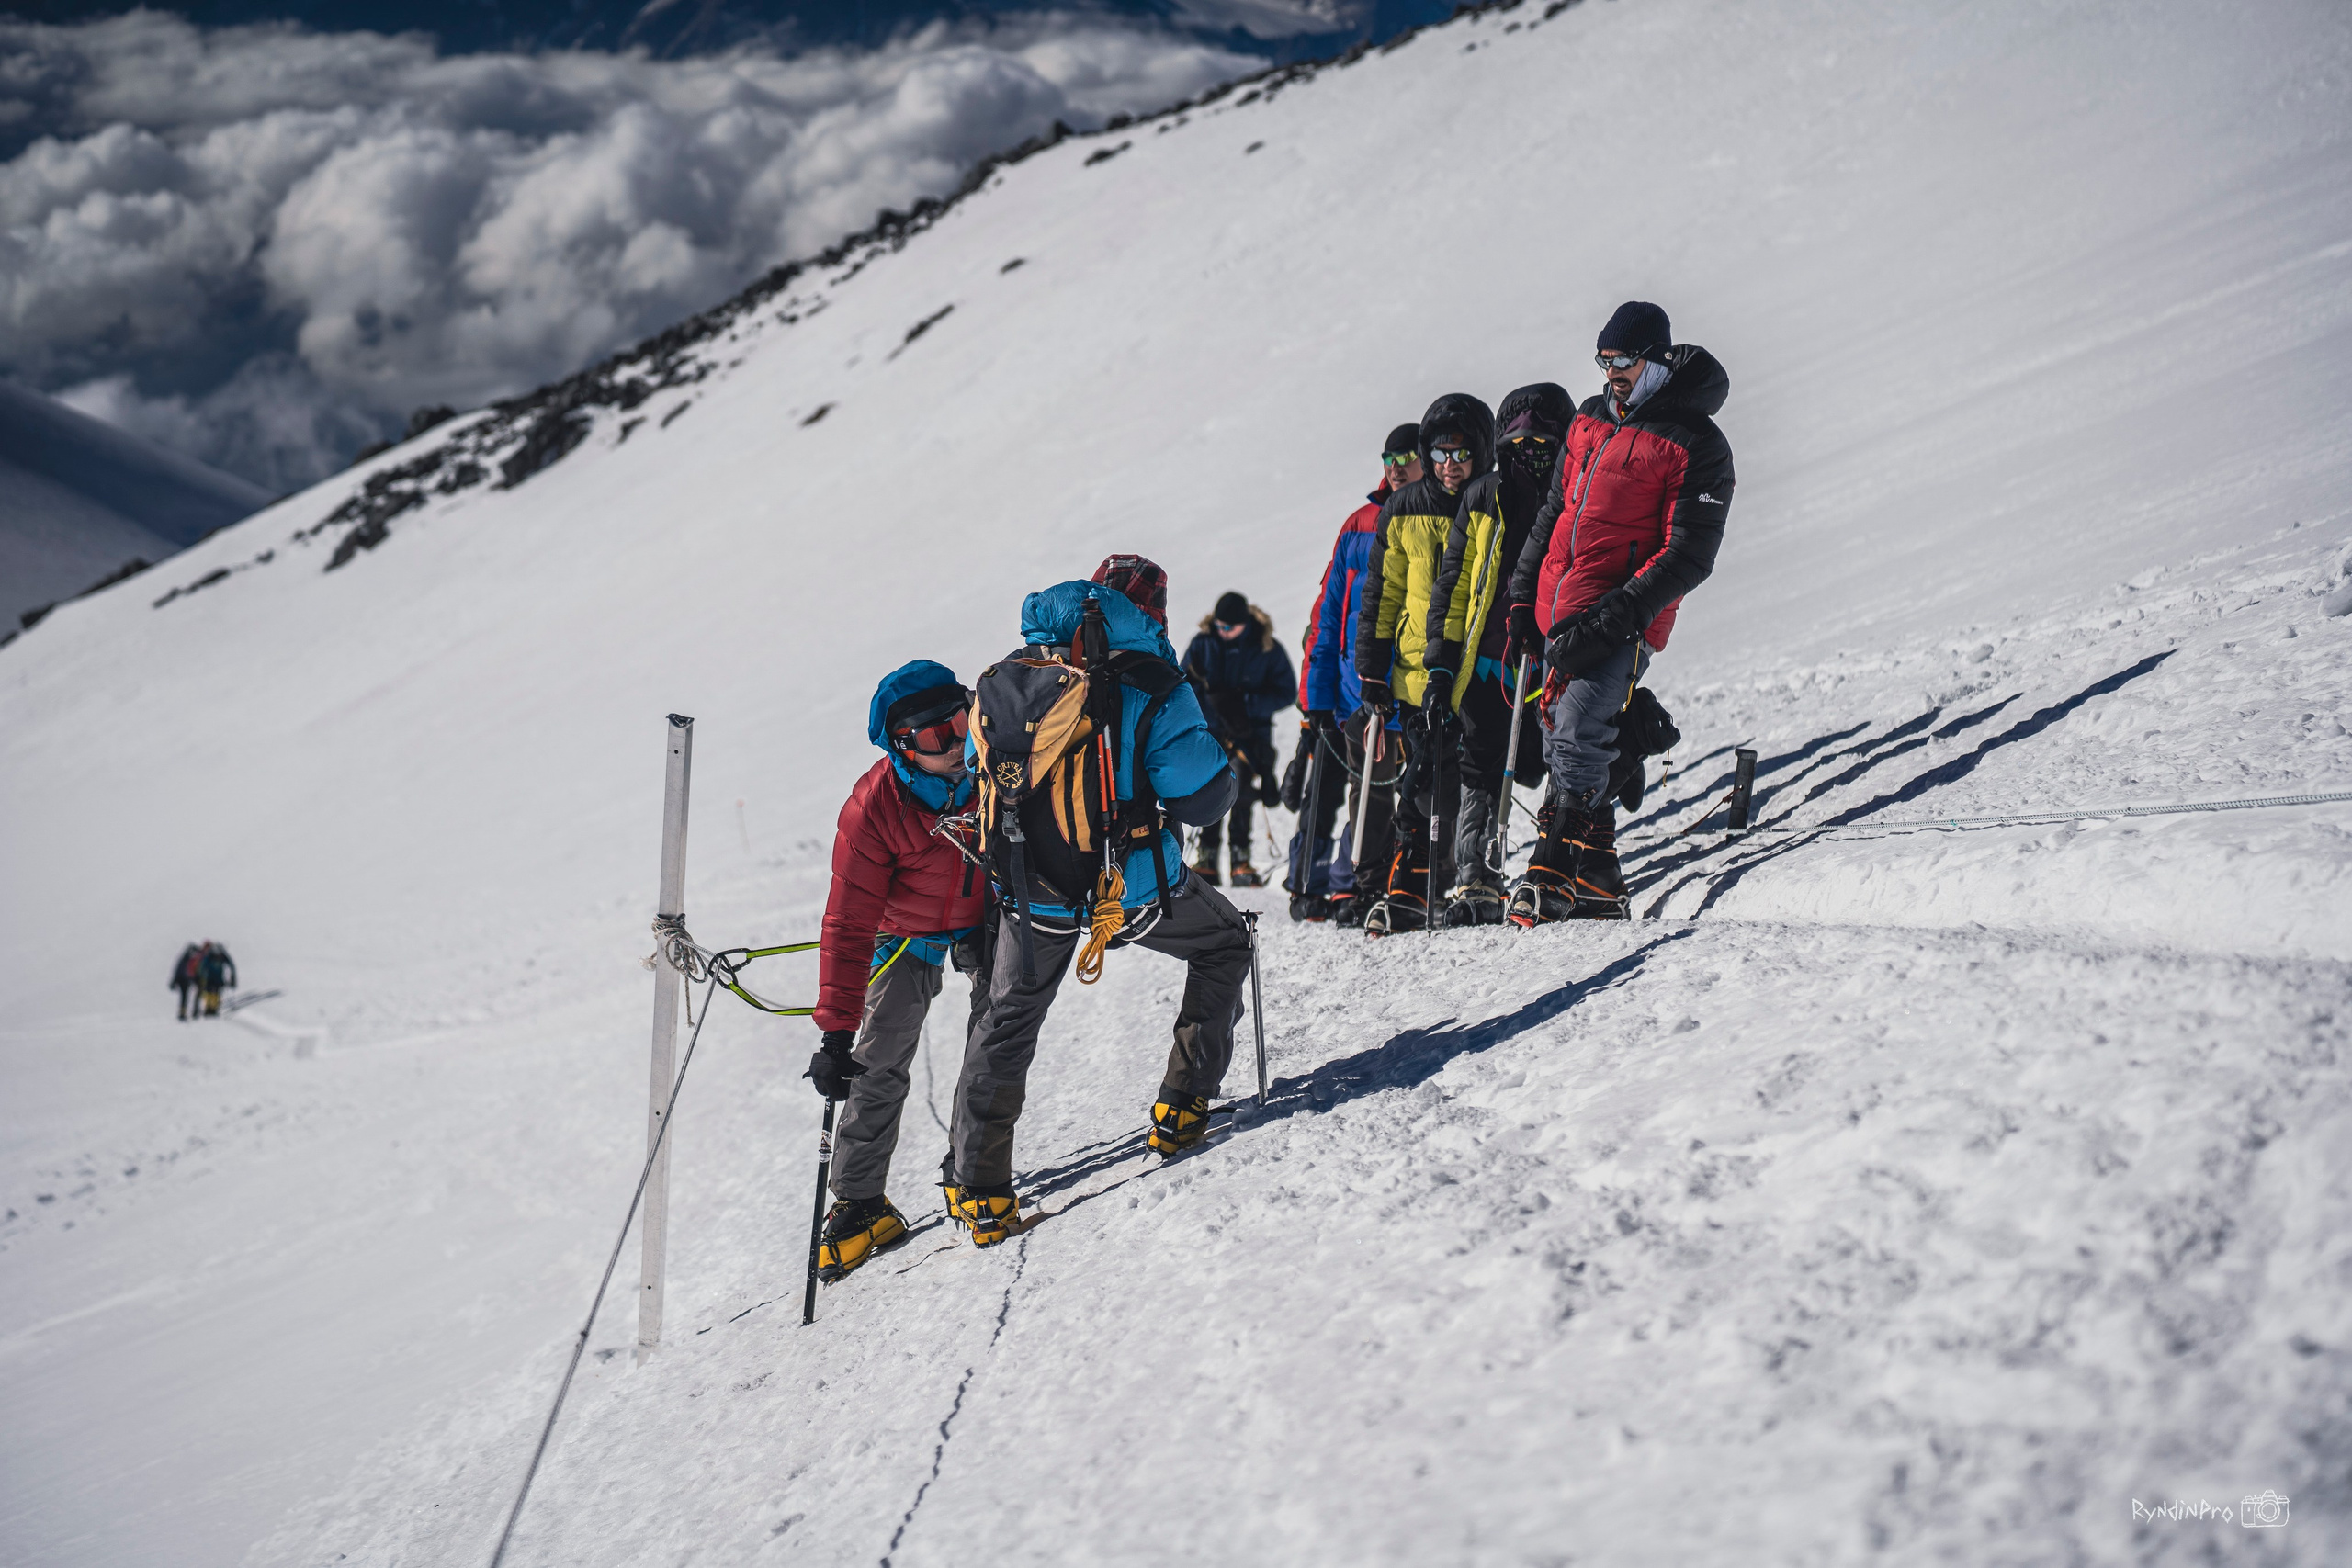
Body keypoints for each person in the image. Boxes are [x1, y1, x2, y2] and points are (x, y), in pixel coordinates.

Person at [944, 581, 1250, 1246]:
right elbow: (1201, 797)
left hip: (1032, 892)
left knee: (1009, 1017)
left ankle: (979, 1187)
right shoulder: (1155, 685)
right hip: (1129, 888)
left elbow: (977, 766)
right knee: (1225, 943)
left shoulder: (1006, 681)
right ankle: (1182, 1104)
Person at [1502, 301, 1733, 924]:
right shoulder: (1590, 419)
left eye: (1623, 360)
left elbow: (1689, 553)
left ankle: (1550, 871)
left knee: (1577, 728)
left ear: (1656, 359)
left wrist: (1612, 619)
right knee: (1555, 729)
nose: (1611, 372)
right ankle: (1600, 876)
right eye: (1604, 360)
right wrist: (1524, 599)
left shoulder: (1696, 443)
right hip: (1559, 610)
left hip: (1622, 618)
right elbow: (1553, 515)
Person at [805, 660, 993, 1280]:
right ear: (903, 747)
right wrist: (835, 1033)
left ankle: (973, 1168)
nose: (959, 742)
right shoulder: (872, 810)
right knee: (878, 1055)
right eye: (940, 737)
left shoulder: (995, 767)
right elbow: (848, 923)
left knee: (999, 1032)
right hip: (904, 932)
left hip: (984, 918)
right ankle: (860, 1202)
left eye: (962, 721)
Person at [1427, 383, 1574, 924]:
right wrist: (1440, 663)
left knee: (1558, 754)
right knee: (1481, 759)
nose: (1533, 453)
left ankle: (1554, 863)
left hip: (1554, 651)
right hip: (1487, 657)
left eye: (1544, 442)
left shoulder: (1576, 491)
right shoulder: (1484, 495)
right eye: (1522, 442)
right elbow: (1454, 581)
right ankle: (1476, 875)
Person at [1353, 393, 1494, 934]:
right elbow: (1382, 593)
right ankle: (1411, 882)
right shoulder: (1404, 507)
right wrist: (1372, 668)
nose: (1449, 466)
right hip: (1414, 672)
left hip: (1474, 670)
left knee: (1467, 775)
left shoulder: (1487, 501)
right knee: (1419, 780)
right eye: (1439, 455)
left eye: (1459, 454)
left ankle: (1469, 875)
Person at [1283, 422, 1419, 924]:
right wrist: (1316, 699)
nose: (1396, 467)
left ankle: (1411, 881)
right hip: (1356, 690)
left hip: (1420, 683)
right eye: (1389, 458)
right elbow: (1328, 613)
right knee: (1368, 792)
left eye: (1407, 456)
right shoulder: (1361, 523)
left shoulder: (1441, 517)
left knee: (1418, 791)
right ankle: (1355, 886)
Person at [1183, 591, 1295, 887]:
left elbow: (1286, 691)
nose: (1224, 632)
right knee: (1209, 792)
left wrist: (1245, 704)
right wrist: (1209, 705)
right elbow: (1182, 685)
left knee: (1242, 791)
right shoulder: (1202, 644)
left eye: (1229, 627)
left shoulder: (1267, 647)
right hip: (1209, 733)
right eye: (1220, 626)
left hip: (1250, 736)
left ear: (1244, 623)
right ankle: (1206, 858)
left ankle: (1240, 859)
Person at [197, 941, 236, 1016]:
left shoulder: (221, 956)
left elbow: (231, 966)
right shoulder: (209, 956)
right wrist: (201, 978)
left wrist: (232, 977)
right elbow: (202, 968)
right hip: (210, 978)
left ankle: (214, 1007)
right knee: (209, 993)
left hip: (218, 979)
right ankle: (209, 1007)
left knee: (216, 993)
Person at [170, 942, 202, 1021]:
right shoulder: (188, 960)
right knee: (185, 996)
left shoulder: (187, 959)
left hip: (187, 980)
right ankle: (184, 1012)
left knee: (186, 996)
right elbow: (179, 971)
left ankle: (185, 1012)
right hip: (183, 980)